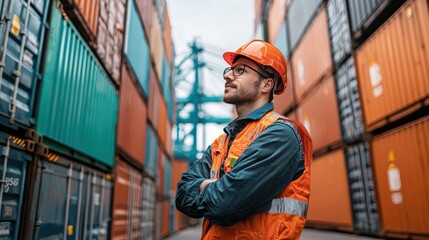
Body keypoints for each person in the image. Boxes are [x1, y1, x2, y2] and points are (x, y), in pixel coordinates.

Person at [175, 39, 313, 239]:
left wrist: (204, 185)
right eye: (229, 70)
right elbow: (182, 195)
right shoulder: (220, 143)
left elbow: (225, 205)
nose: (228, 76)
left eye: (240, 70)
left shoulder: (281, 136)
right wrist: (218, 189)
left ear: (266, 84)